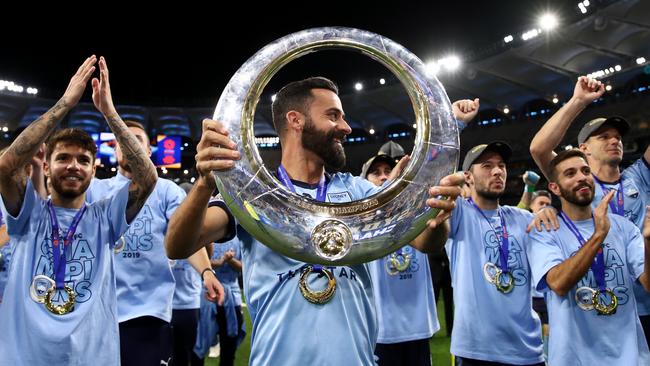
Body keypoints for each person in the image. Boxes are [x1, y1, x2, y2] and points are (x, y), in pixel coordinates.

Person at [166, 76, 462, 365]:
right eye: (333, 116)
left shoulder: (357, 191)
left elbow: (426, 241)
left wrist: (438, 216)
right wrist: (205, 184)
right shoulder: (254, 194)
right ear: (296, 120)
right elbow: (178, 246)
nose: (345, 127)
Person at [0, 55, 157, 365]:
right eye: (63, 158)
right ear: (45, 166)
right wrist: (64, 104)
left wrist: (109, 112)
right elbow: (6, 167)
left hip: (91, 357)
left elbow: (148, 177)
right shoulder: (28, 214)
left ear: (94, 169)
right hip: (25, 357)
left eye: (83, 160)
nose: (73, 166)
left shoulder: (105, 218)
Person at [85, 58, 224, 366]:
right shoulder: (94, 189)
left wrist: (206, 272)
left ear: (148, 152)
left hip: (148, 310)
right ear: (115, 150)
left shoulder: (168, 191)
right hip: (96, 309)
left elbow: (185, 237)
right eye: (121, 141)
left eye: (135, 140)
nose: (126, 145)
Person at [530, 75, 650, 346]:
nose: (614, 140)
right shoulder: (578, 186)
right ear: (583, 148)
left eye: (618, 136)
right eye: (604, 136)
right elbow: (539, 148)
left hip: (646, 298)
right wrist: (578, 101)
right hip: (603, 303)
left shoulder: (640, 176)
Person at [527, 149, 650, 365]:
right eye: (570, 173)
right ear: (554, 188)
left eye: (585, 171)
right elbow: (558, 283)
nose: (582, 177)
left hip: (631, 358)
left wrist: (649, 243)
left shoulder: (623, 227)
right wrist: (599, 234)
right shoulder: (545, 230)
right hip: (574, 359)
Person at [445, 141, 544, 366]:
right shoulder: (459, 212)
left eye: (501, 165)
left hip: (527, 349)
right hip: (478, 351)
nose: (498, 171)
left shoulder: (523, 219)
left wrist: (550, 214)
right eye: (487, 166)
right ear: (468, 176)